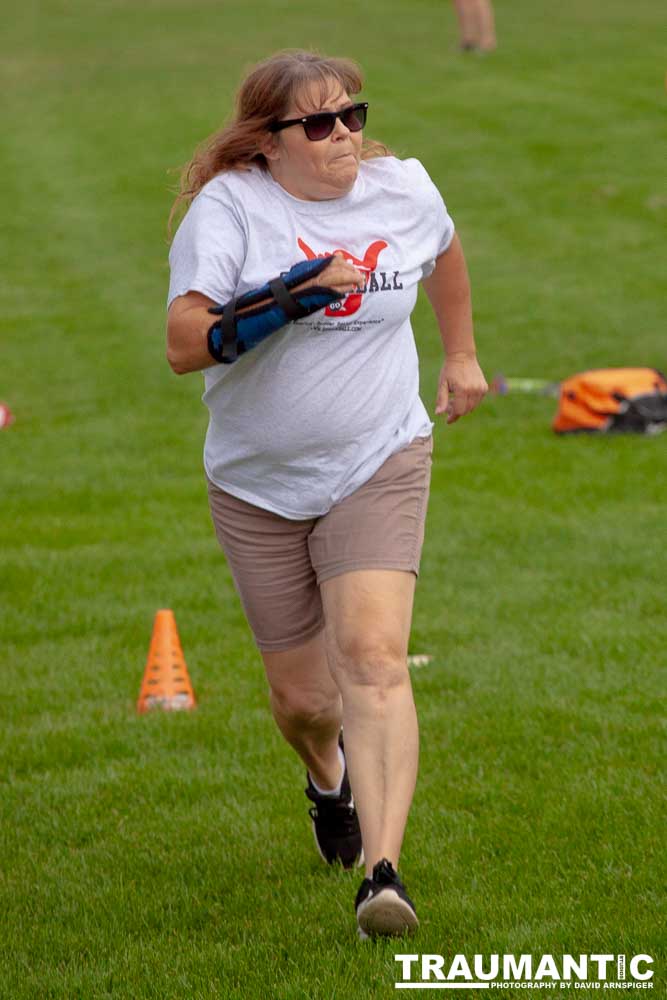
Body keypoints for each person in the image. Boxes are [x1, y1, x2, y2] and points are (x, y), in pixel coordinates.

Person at [166, 49, 487, 940]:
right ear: (269, 143)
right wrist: (289, 297)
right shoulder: (230, 208)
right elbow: (184, 343)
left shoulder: (401, 188)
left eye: (351, 113)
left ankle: (382, 874)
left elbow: (443, 248)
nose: (345, 134)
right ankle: (326, 779)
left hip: (377, 455)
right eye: (319, 123)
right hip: (259, 484)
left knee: (376, 659)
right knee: (306, 703)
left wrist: (458, 354)